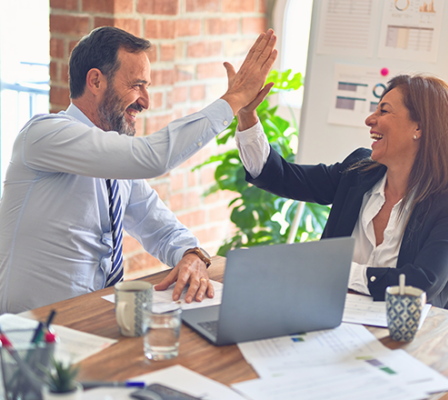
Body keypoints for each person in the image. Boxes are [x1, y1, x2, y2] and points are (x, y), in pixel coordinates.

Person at [0, 26, 277, 314]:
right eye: (136, 85)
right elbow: (152, 158)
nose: (146, 101)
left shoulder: (115, 162)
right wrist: (233, 101)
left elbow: (160, 227)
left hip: (92, 322)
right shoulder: (44, 134)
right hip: (28, 334)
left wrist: (191, 254)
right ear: (95, 81)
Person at [234, 74, 448, 308]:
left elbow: (419, 285)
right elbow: (281, 177)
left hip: (406, 339)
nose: (370, 119)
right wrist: (247, 116)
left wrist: (335, 270)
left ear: (419, 128)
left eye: (383, 110)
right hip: (330, 319)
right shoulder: (357, 172)